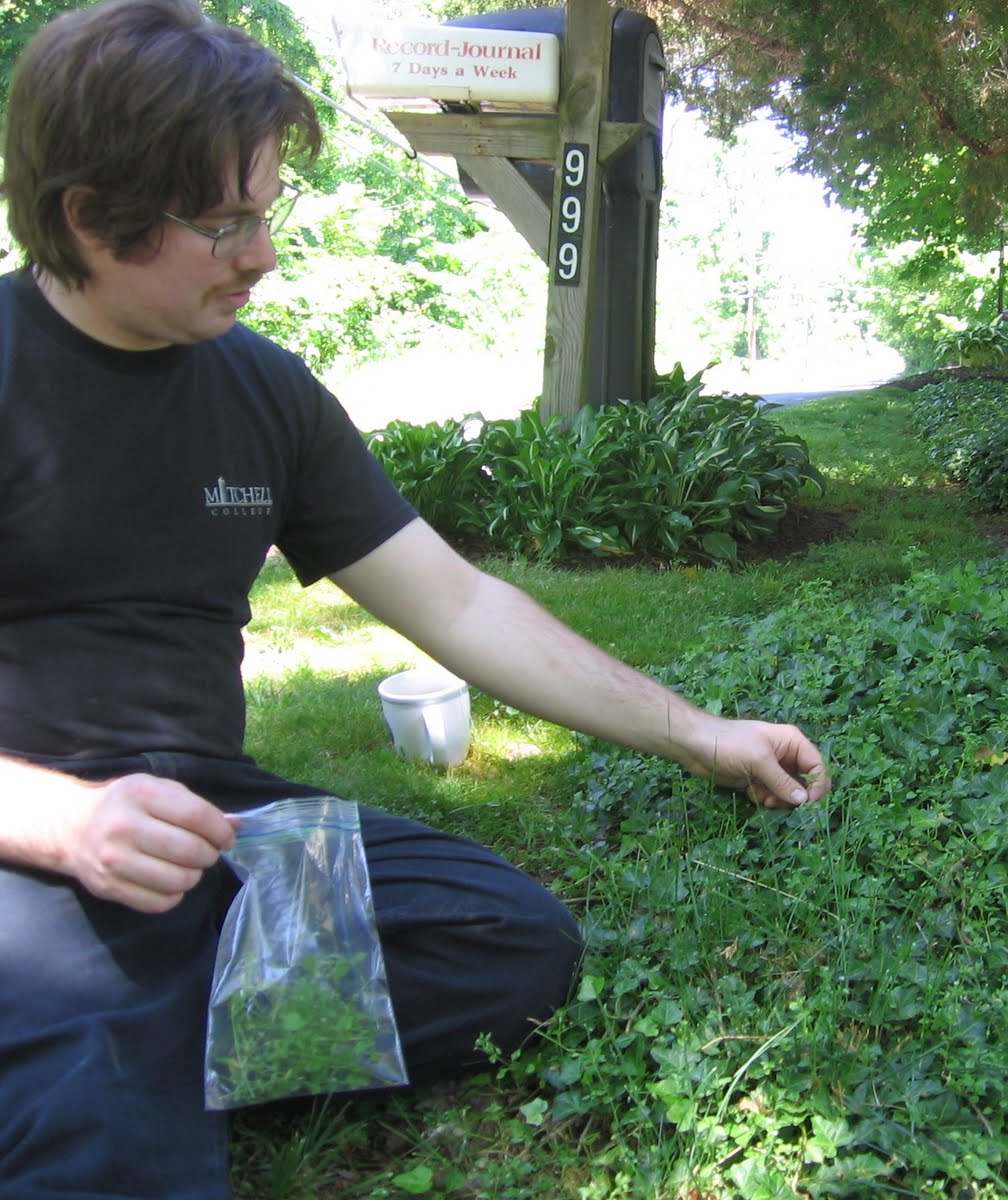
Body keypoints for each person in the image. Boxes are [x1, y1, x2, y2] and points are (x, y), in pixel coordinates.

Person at [0, 0, 831, 1195]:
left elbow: (458, 602)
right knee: (103, 1144)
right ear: (90, 216)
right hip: (25, 841)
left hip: (206, 828)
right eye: (223, 222)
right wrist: (65, 826)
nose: (264, 252)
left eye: (267, 211)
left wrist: (696, 733)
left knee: (513, 947)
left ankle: (129, 1041)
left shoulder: (265, 390)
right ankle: (105, 1063)